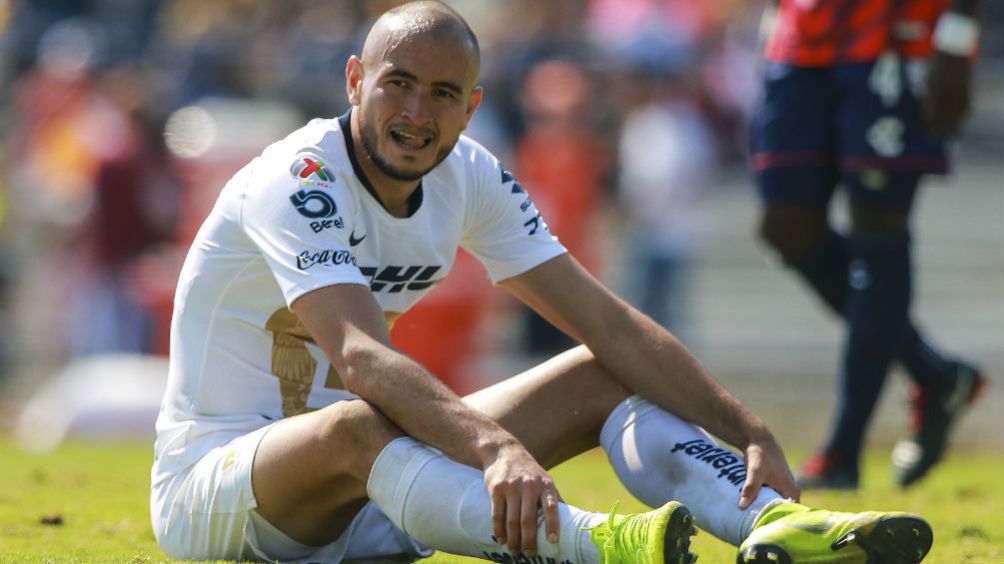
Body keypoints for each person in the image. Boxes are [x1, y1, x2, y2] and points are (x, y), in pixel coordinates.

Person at [150, 2, 935, 562]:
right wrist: (494, 447)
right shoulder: (298, 179)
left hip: (376, 495)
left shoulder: (468, 174)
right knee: (354, 421)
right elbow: (358, 358)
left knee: (604, 373)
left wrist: (751, 430)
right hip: (218, 496)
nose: (418, 111)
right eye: (398, 83)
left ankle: (775, 527)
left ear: (472, 106)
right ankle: (608, 547)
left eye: (444, 94)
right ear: (355, 79)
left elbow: (607, 321)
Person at [750, 0, 988, 490]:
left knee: (878, 231)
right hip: (802, 35)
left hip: (897, 33)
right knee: (786, 226)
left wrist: (958, 33)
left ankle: (842, 450)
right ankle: (936, 375)